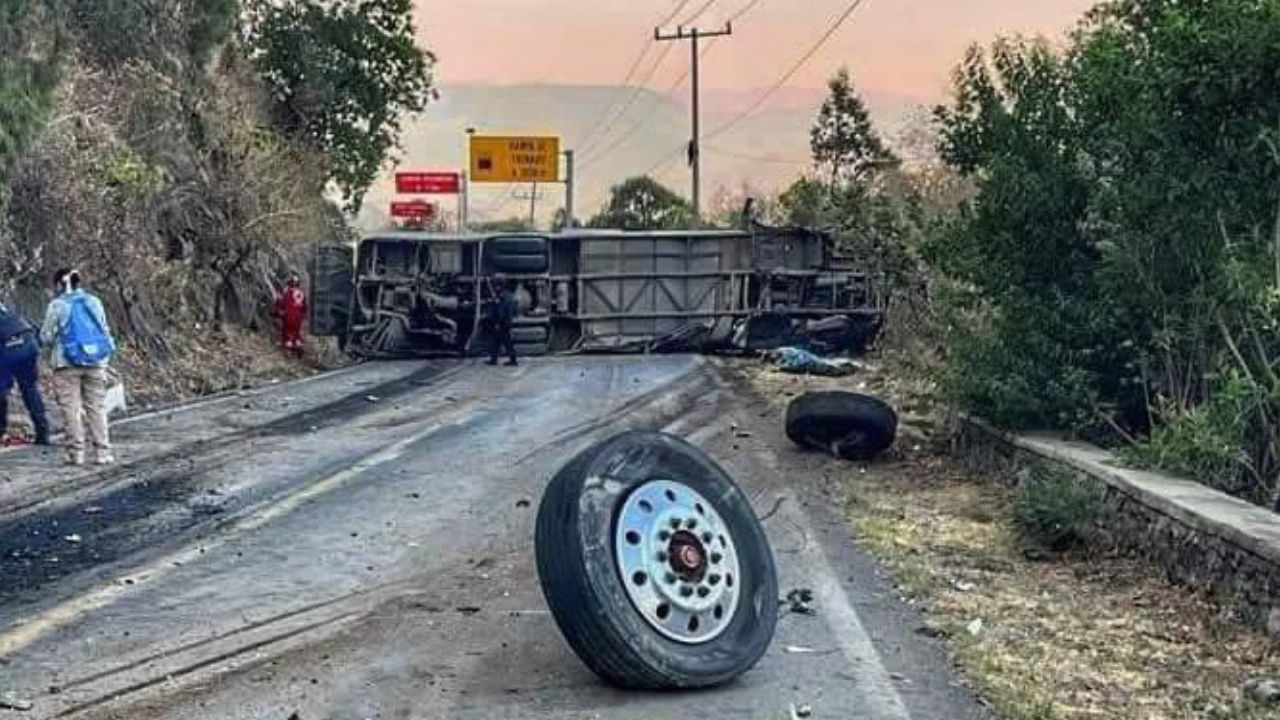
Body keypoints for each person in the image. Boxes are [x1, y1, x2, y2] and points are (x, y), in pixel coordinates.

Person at [42, 269, 116, 466]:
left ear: (59, 284)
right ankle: (103, 453)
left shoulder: (57, 305)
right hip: (96, 362)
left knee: (71, 409)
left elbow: (47, 337)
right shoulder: (94, 301)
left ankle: (77, 454)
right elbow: (104, 329)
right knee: (97, 407)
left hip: (66, 364)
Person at [0, 299, 51, 446]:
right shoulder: (9, 309)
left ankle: (1, 431)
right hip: (29, 344)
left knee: (1, 392)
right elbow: (35, 330)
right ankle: (43, 433)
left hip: (8, 349)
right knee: (30, 388)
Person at [485, 279, 520, 367]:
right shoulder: (508, 296)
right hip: (506, 322)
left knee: (504, 342)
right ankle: (495, 359)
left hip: (502, 323)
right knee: (499, 341)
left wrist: (497, 322)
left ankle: (510, 359)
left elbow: (501, 311)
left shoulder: (502, 297)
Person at [275, 273, 307, 358]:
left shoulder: (287, 293)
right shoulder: (301, 293)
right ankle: (298, 346)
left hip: (288, 316)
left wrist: (278, 312)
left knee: (288, 333)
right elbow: (305, 307)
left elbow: (281, 303)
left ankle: (289, 350)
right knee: (296, 333)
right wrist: (303, 316)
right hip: (298, 317)